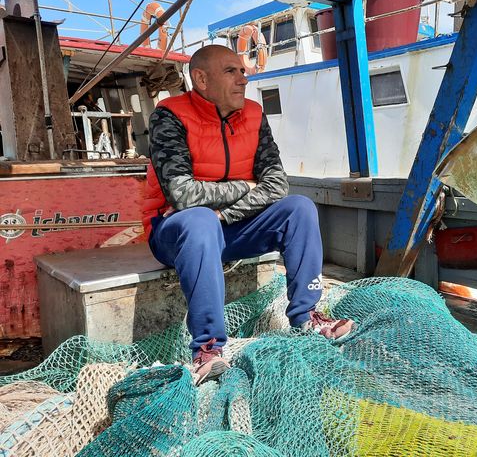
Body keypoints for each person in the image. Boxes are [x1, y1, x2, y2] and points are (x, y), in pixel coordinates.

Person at [141, 45, 354, 382]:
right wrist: (244, 186)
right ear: (201, 79)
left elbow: (276, 184)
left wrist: (223, 215)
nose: (244, 78)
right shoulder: (169, 116)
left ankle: (307, 316)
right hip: (176, 234)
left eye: (242, 71)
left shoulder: (253, 115)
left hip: (230, 226)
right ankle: (207, 348)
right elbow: (182, 194)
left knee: (298, 208)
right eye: (231, 71)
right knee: (197, 220)